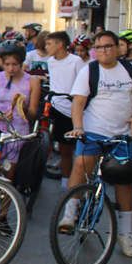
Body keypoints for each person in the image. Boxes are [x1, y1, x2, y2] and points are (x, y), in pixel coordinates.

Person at [63, 30, 132, 258]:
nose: (104, 50)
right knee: (81, 165)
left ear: (118, 48)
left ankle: (125, 234)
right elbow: (78, 103)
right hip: (94, 131)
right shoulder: (89, 71)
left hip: (122, 134)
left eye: (109, 46)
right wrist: (78, 126)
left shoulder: (131, 70)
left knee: (124, 181)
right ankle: (69, 213)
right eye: (100, 47)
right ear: (95, 50)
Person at [0, 42, 41, 179]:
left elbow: (32, 114)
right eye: (7, 64)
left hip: (18, 132)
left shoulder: (32, 81)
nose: (11, 68)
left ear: (21, 63)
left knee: (9, 174)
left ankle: (6, 198)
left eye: (14, 64)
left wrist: (22, 108)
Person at [45, 31, 86, 194]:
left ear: (60, 45)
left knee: (69, 148)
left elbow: (84, 82)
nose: (46, 47)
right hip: (55, 105)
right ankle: (64, 179)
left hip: (71, 108)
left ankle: (74, 181)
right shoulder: (50, 62)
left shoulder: (76, 61)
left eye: (49, 44)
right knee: (61, 147)